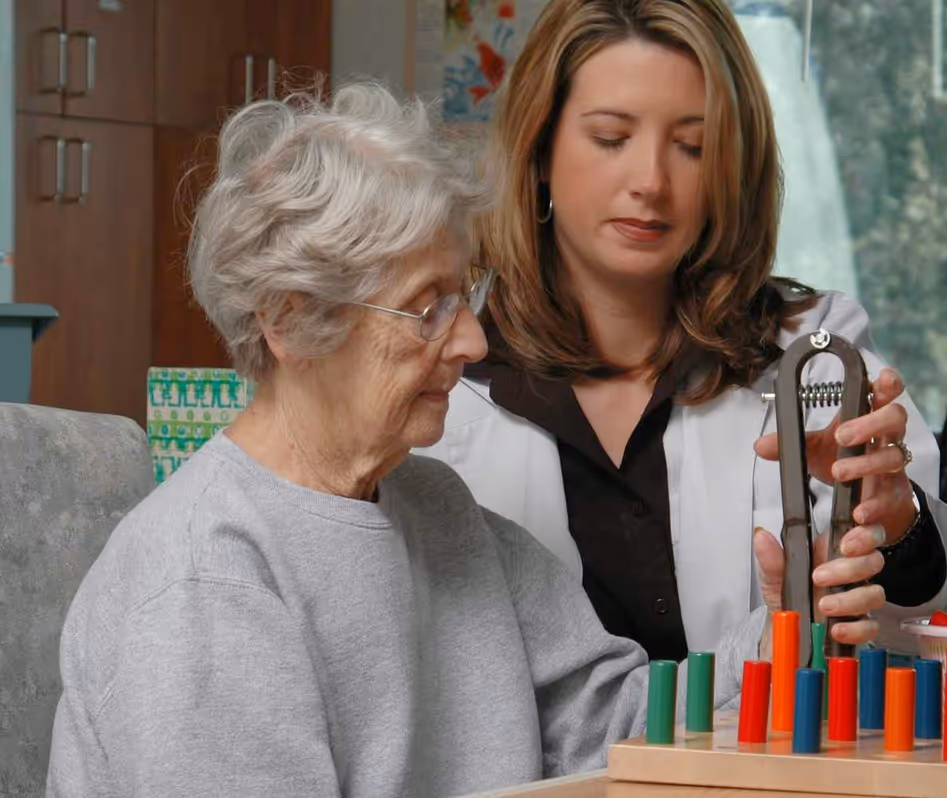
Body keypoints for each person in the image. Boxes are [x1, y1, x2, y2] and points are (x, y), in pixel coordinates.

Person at [44, 84, 767, 798]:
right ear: (291, 321)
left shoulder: (438, 507)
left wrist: (793, 614)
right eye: (428, 309)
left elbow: (617, 727)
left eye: (466, 296)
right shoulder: (207, 580)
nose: (472, 339)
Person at [417, 0, 947, 659]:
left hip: (766, 762)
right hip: (533, 769)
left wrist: (897, 526)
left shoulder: (814, 352)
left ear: (729, 170)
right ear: (539, 150)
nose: (652, 182)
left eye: (692, 146)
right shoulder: (443, 366)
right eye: (611, 139)